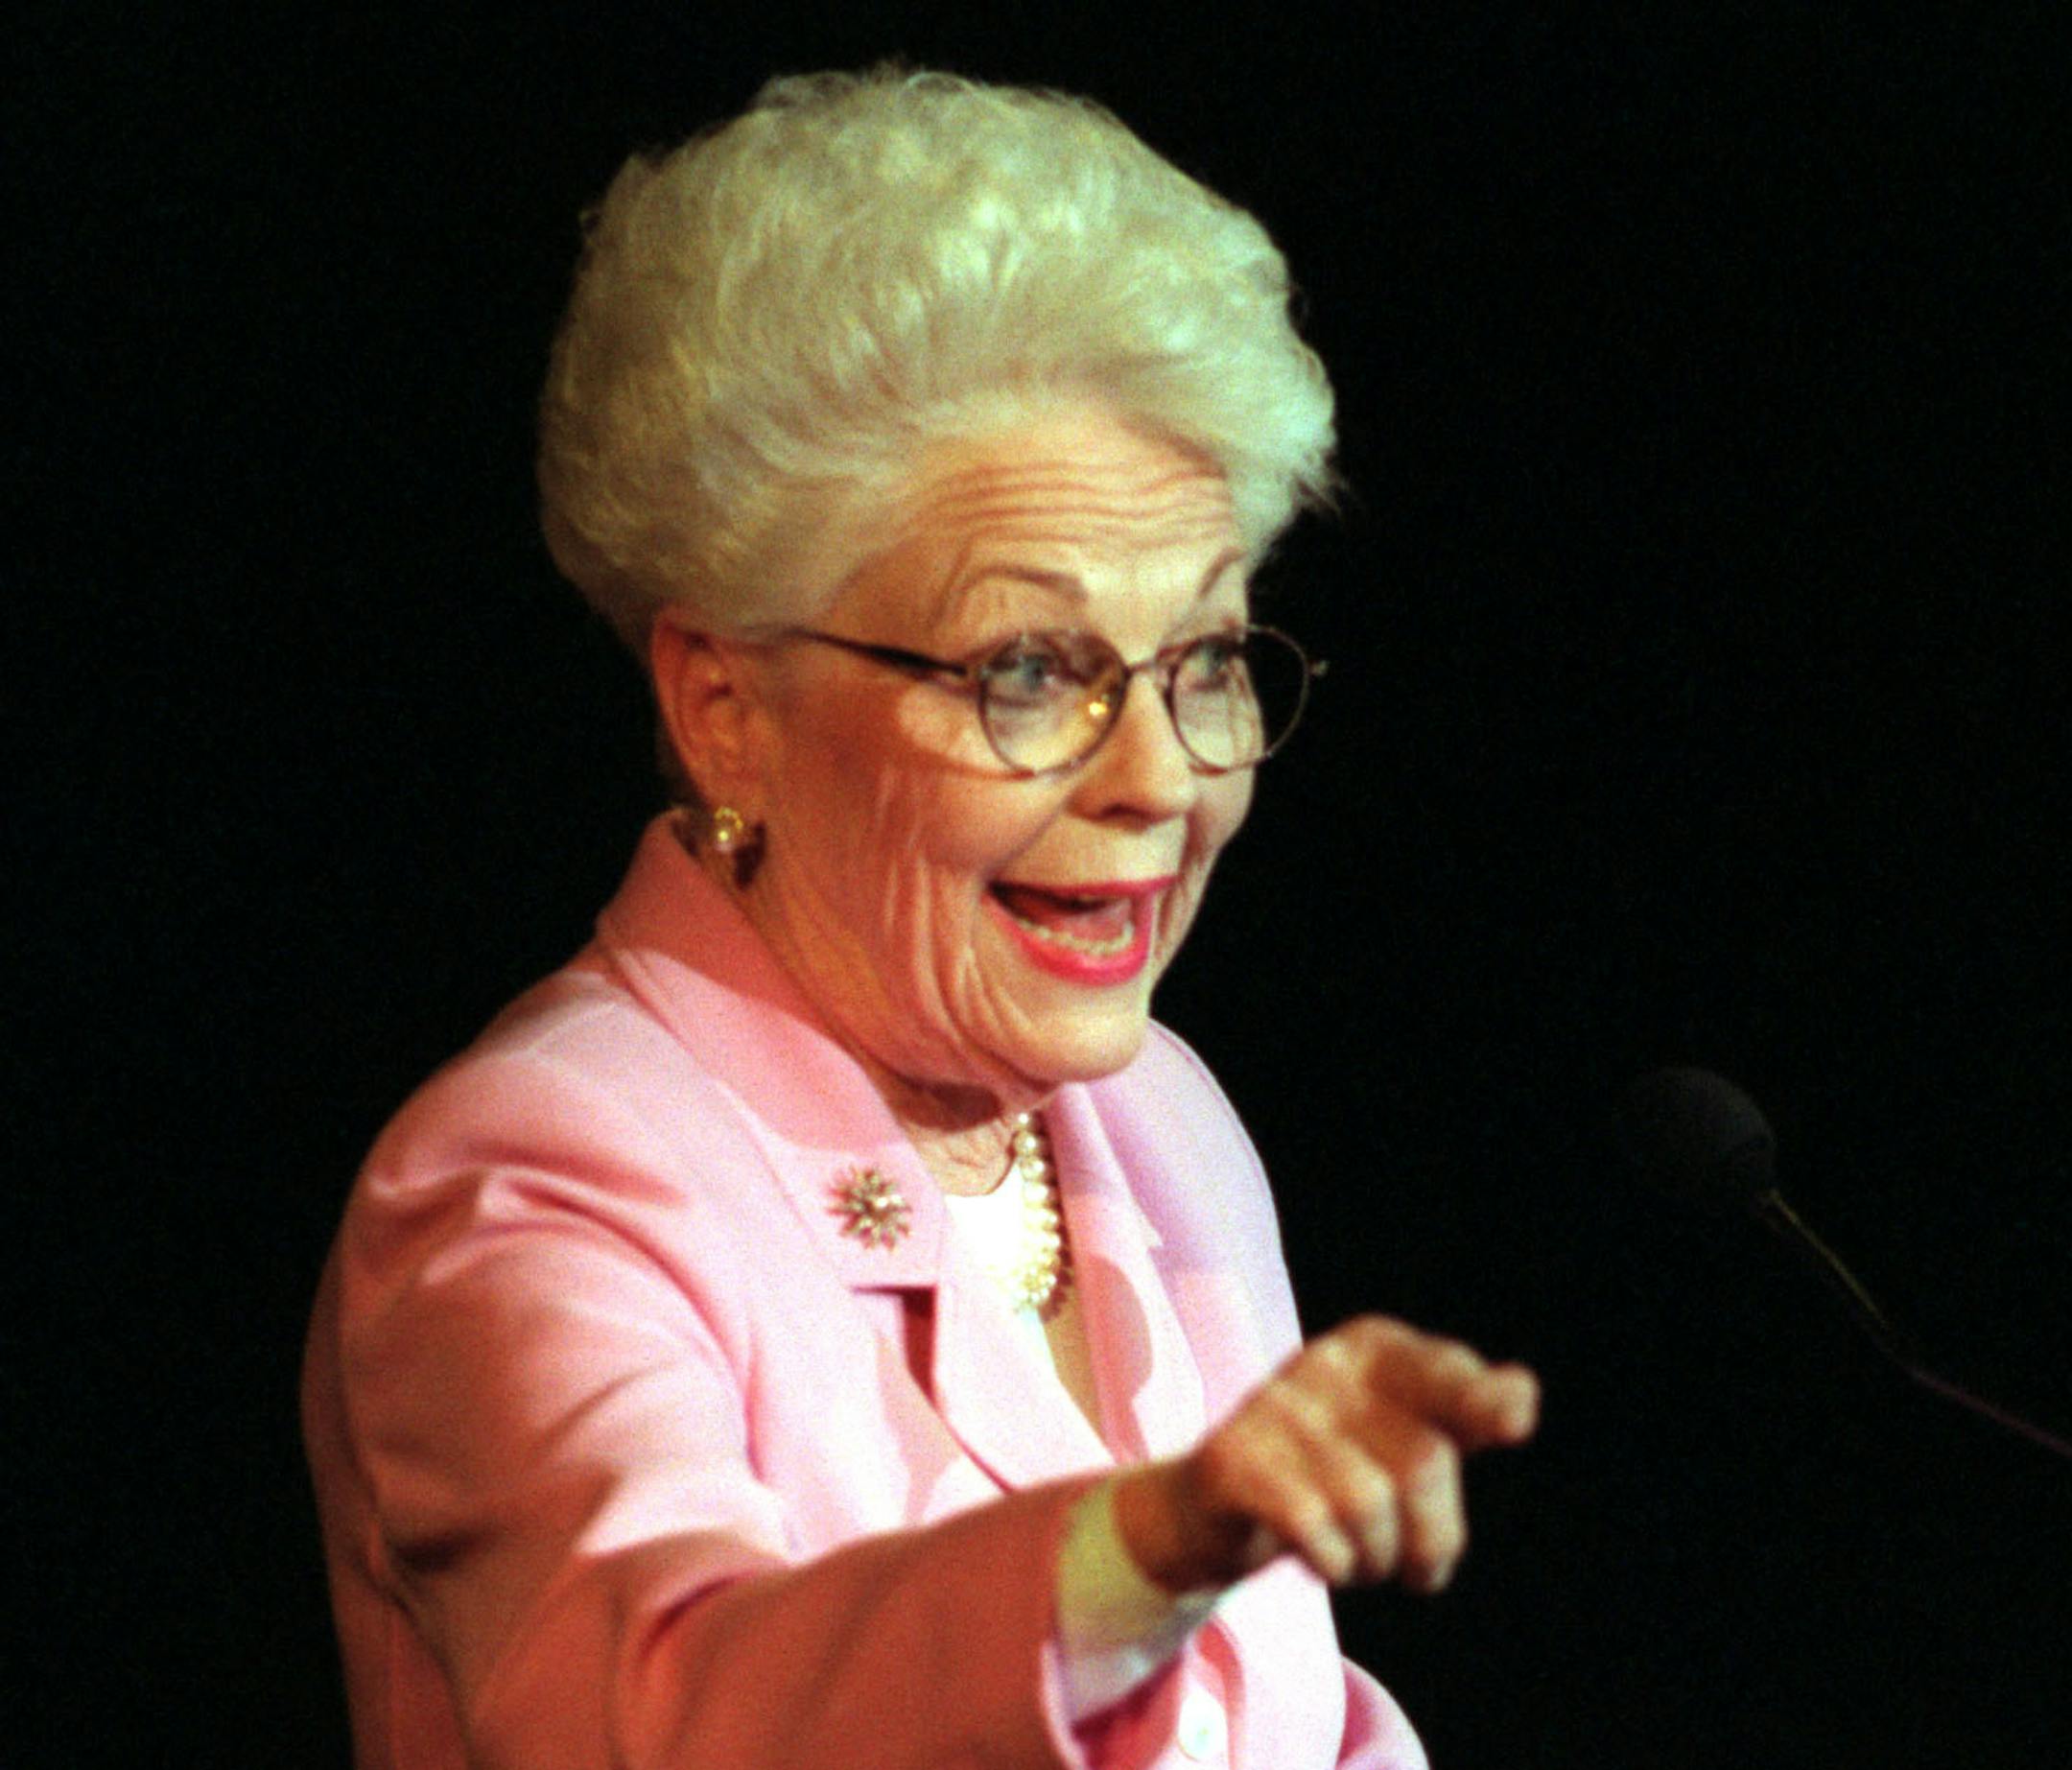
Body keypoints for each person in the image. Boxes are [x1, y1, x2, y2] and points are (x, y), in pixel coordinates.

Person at [302, 66, 1539, 1769]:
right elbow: (667, 1712)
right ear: (724, 700)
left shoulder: (1155, 1118)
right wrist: (1141, 1548)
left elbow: (1288, 1721)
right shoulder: (534, 1179)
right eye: (1029, 669)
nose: (1159, 779)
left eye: (1203, 663)